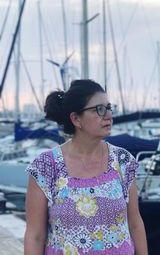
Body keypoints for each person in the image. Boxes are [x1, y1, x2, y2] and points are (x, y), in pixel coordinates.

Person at [24, 79, 148, 255]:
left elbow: (135, 224)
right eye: (99, 109)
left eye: (109, 107)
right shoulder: (46, 166)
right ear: (76, 119)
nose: (109, 115)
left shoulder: (123, 161)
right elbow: (35, 235)